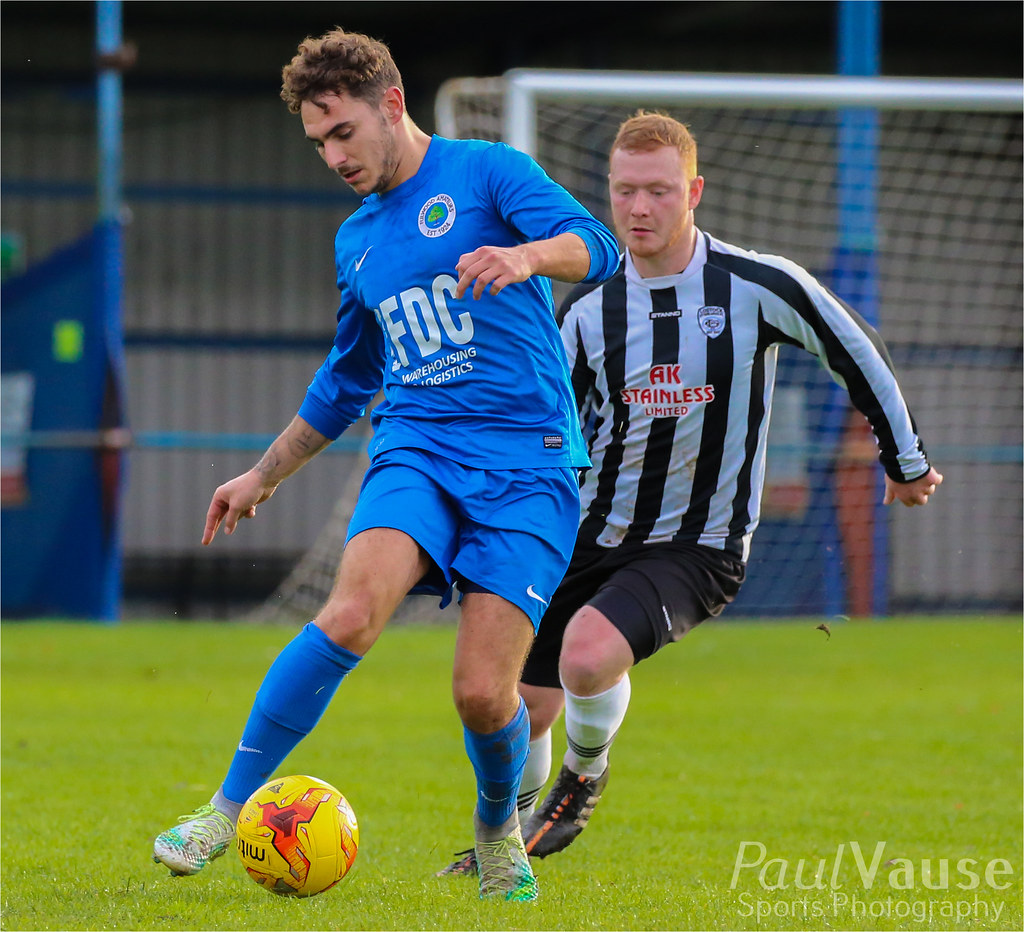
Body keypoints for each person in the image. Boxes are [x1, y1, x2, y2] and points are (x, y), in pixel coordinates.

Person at [151, 27, 619, 903]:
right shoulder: (357, 240)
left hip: (530, 464)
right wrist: (262, 475)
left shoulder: (487, 172)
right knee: (352, 611)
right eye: (318, 142)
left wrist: (524, 255)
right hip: (418, 445)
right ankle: (223, 809)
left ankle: (496, 829)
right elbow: (349, 376)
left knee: (484, 696)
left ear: (391, 105)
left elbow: (599, 244)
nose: (332, 156)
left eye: (342, 134)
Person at [440, 110, 942, 875]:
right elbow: (554, 429)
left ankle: (584, 777)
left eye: (659, 192)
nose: (640, 209)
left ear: (694, 191)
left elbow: (854, 350)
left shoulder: (756, 284)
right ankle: (501, 843)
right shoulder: (590, 310)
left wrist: (903, 461)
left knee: (587, 656)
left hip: (697, 545)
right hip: (587, 530)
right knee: (521, 706)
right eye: (624, 192)